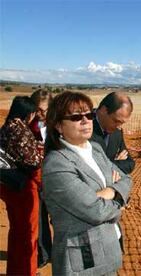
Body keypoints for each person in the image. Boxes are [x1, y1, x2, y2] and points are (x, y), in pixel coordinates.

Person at [42, 91, 132, 275]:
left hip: (110, 249)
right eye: (76, 117)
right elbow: (95, 211)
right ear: (59, 125)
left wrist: (108, 193)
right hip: (85, 260)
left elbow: (126, 179)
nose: (85, 120)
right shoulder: (57, 164)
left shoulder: (96, 149)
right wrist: (119, 200)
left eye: (89, 115)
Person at [0, 96, 44, 276]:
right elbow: (33, 162)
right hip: (22, 188)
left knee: (17, 231)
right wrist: (43, 153)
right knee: (27, 234)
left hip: (8, 184)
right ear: (29, 113)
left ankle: (16, 271)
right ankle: (27, 272)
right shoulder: (20, 129)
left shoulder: (7, 125)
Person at [30, 88, 53, 268]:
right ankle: (43, 254)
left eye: (45, 110)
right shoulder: (28, 126)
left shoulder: (58, 126)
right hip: (36, 180)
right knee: (39, 219)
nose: (41, 114)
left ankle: (59, 253)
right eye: (38, 110)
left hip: (55, 179)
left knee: (60, 219)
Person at [91, 92, 135, 174]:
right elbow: (88, 169)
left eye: (122, 123)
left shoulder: (117, 131)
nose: (119, 126)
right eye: (116, 121)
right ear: (104, 110)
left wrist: (109, 164)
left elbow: (130, 163)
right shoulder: (83, 126)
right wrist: (114, 163)